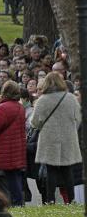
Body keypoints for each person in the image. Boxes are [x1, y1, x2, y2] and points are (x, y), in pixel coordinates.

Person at [32, 73, 81, 204]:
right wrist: (71, 129)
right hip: (68, 137)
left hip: (49, 138)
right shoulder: (71, 98)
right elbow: (79, 118)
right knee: (68, 170)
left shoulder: (43, 100)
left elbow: (34, 122)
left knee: (51, 170)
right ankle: (71, 200)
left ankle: (50, 200)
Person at [0, 81, 26, 206]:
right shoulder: (20, 107)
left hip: (6, 147)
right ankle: (18, 203)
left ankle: (16, 204)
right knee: (16, 177)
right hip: (17, 147)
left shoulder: (3, 107)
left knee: (9, 179)